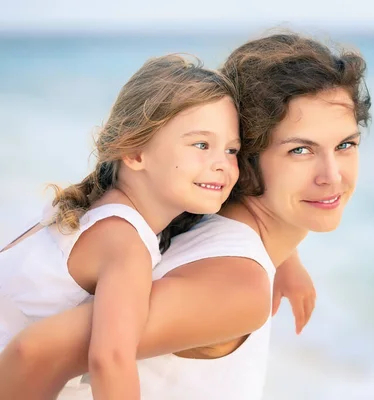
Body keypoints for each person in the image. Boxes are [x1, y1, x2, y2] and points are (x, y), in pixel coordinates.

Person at [0, 31, 371, 400]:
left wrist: (288, 258)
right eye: (300, 150)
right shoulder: (237, 285)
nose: (332, 176)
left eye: (345, 145)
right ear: (252, 157)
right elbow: (35, 352)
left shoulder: (189, 214)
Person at [0, 54, 242, 399]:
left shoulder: (92, 212)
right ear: (135, 152)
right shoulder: (124, 244)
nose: (222, 164)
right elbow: (110, 360)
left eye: (232, 149)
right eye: (201, 145)